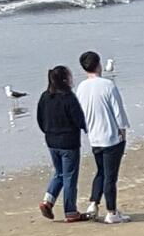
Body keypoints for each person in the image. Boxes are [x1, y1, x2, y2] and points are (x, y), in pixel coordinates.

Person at [75, 50, 130, 223]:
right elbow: (118, 112)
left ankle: (93, 203)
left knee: (101, 171)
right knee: (110, 176)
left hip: (94, 137)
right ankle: (111, 212)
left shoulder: (81, 87)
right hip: (110, 137)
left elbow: (80, 112)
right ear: (98, 65)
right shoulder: (108, 85)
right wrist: (123, 131)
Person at [35, 64, 86, 222]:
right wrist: (87, 128)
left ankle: (47, 201)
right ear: (65, 80)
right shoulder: (68, 97)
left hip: (51, 141)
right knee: (69, 176)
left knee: (59, 173)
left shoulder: (45, 96)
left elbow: (40, 119)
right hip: (68, 142)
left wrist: (48, 131)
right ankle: (70, 211)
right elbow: (79, 118)